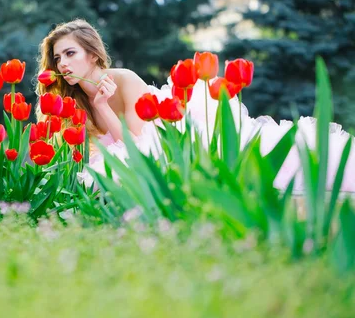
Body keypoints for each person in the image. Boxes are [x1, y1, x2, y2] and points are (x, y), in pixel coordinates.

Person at [35, 19, 355, 193]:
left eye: (70, 53)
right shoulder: (70, 99)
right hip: (137, 152)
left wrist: (104, 107)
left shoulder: (125, 79)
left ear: (93, 54)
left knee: (254, 157)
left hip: (170, 133)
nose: (62, 63)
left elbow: (138, 143)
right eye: (58, 57)